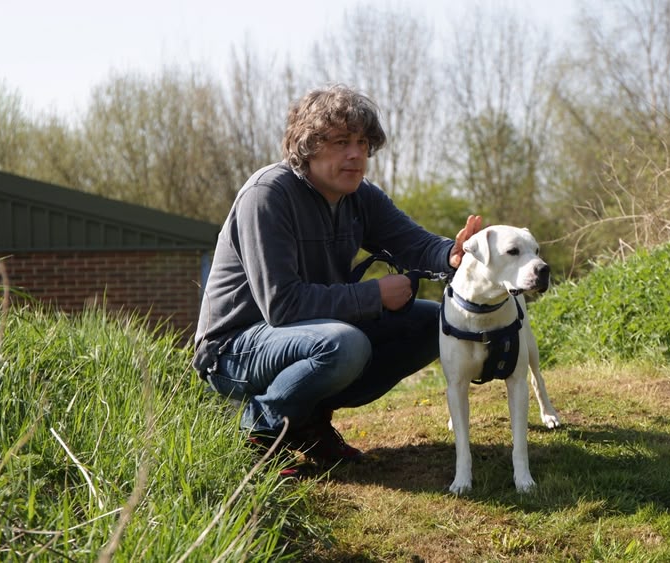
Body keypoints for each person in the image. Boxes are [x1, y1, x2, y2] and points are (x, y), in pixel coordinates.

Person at [193, 84, 482, 466]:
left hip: (310, 333)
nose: (355, 154)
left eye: (363, 143)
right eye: (341, 141)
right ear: (307, 145)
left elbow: (414, 243)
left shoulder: (360, 196)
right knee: (344, 346)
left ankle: (306, 421)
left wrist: (453, 254)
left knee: (435, 323)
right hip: (234, 348)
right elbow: (282, 305)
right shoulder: (267, 195)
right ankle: (259, 432)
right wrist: (374, 295)